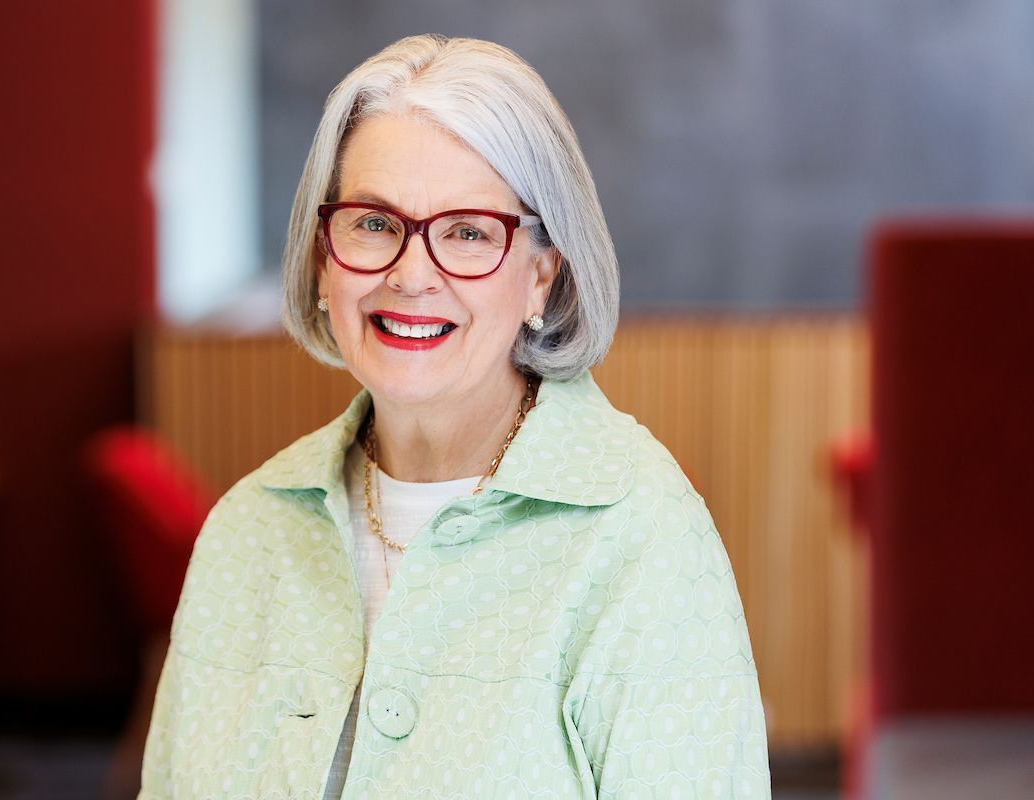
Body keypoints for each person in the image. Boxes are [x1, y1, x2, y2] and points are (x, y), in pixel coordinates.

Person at [139, 34, 770, 799]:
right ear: (322, 259)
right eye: (374, 223)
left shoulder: (642, 537)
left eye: (468, 232)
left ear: (541, 276)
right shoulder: (249, 530)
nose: (411, 276)